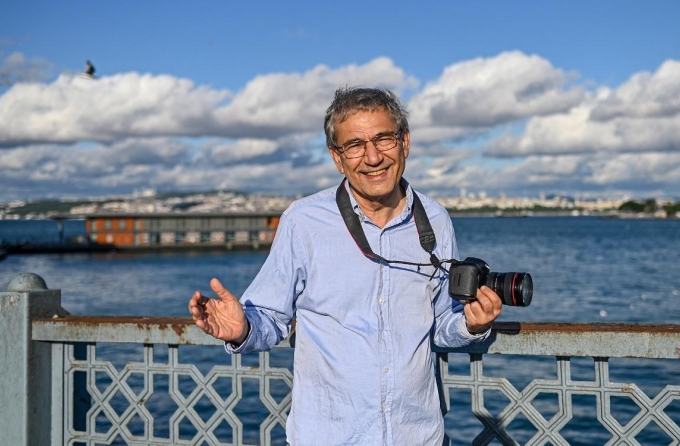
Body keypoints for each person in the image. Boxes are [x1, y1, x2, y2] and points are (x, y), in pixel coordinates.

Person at [188, 87, 502, 445]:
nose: (372, 157)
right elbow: (270, 318)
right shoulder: (304, 221)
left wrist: (471, 324)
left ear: (405, 143)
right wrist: (242, 328)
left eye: (384, 138)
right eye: (354, 145)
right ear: (337, 158)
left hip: (418, 436)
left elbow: (440, 323)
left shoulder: (435, 220)